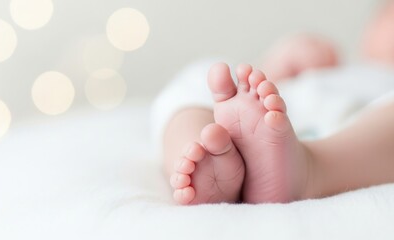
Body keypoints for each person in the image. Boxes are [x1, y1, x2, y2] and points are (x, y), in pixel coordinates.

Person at [151, 0, 394, 205]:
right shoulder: (333, 64)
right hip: (275, 116)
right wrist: (277, 63)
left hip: (344, 138)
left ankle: (309, 171)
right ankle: (197, 151)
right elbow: (258, 83)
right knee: (202, 75)